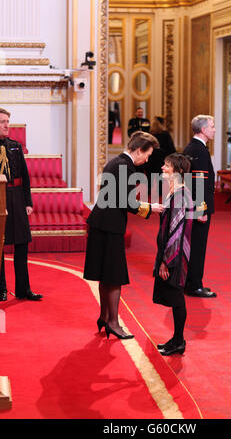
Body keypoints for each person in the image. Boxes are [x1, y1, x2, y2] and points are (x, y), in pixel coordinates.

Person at [84, 131, 163, 339]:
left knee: (105, 275)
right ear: (139, 150)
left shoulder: (116, 162)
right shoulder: (125, 167)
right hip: (110, 226)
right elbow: (124, 201)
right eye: (147, 155)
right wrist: (150, 207)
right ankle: (113, 322)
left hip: (102, 223)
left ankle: (104, 317)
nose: (147, 159)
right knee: (114, 276)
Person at [0, 107, 42, 302]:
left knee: (22, 243)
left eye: (7, 121)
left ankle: (23, 288)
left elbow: (25, 176)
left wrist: (28, 202)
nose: (6, 125)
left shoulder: (15, 146)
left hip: (17, 197)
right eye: (2, 122)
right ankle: (1, 289)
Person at [153, 153, 193, 356]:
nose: (163, 168)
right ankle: (177, 339)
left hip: (175, 255)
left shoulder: (180, 195)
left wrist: (166, 262)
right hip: (172, 252)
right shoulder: (175, 192)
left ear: (178, 171)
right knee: (175, 296)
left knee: (177, 297)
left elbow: (176, 232)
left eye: (167, 166)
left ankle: (179, 341)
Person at [183, 115, 217, 298]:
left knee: (192, 245)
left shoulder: (190, 148)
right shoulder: (201, 151)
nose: (214, 129)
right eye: (212, 126)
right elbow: (199, 184)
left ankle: (189, 281)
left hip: (190, 205)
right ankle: (194, 285)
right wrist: (201, 210)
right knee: (197, 246)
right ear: (203, 130)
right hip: (198, 208)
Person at [146, 116, 176, 196]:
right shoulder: (165, 134)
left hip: (151, 159)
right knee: (162, 176)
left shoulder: (149, 135)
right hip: (162, 160)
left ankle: (150, 191)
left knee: (151, 176)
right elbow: (171, 149)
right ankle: (161, 192)